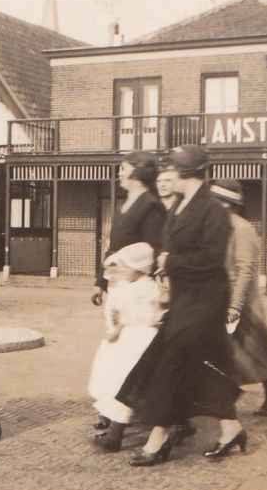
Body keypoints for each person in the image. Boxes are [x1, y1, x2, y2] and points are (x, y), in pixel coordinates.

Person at [116, 145, 245, 466]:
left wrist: (171, 261)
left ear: (185, 173)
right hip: (185, 299)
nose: (164, 176)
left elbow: (212, 260)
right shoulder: (178, 206)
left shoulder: (212, 211)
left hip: (205, 301)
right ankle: (231, 428)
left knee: (170, 363)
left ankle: (157, 440)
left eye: (169, 169)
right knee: (201, 369)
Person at [90, 150, 166, 441]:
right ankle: (110, 408)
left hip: (135, 292)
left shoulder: (150, 206)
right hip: (117, 286)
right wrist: (101, 281)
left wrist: (133, 281)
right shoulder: (126, 203)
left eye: (123, 168)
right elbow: (114, 245)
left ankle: (121, 413)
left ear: (136, 172)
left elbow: (150, 251)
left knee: (127, 353)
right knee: (113, 351)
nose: (119, 173)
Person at [210, 179, 267, 416]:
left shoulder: (242, 228)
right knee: (249, 350)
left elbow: (245, 269)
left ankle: (243, 395)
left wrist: (235, 305)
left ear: (226, 204)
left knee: (249, 348)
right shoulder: (218, 226)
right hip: (222, 296)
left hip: (240, 300)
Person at [88, 243, 163, 446]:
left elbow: (138, 316)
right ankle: (115, 424)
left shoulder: (143, 288)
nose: (122, 272)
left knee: (122, 382)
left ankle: (115, 434)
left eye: (126, 268)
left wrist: (118, 326)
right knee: (120, 382)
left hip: (136, 340)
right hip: (133, 338)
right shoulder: (143, 285)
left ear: (138, 268)